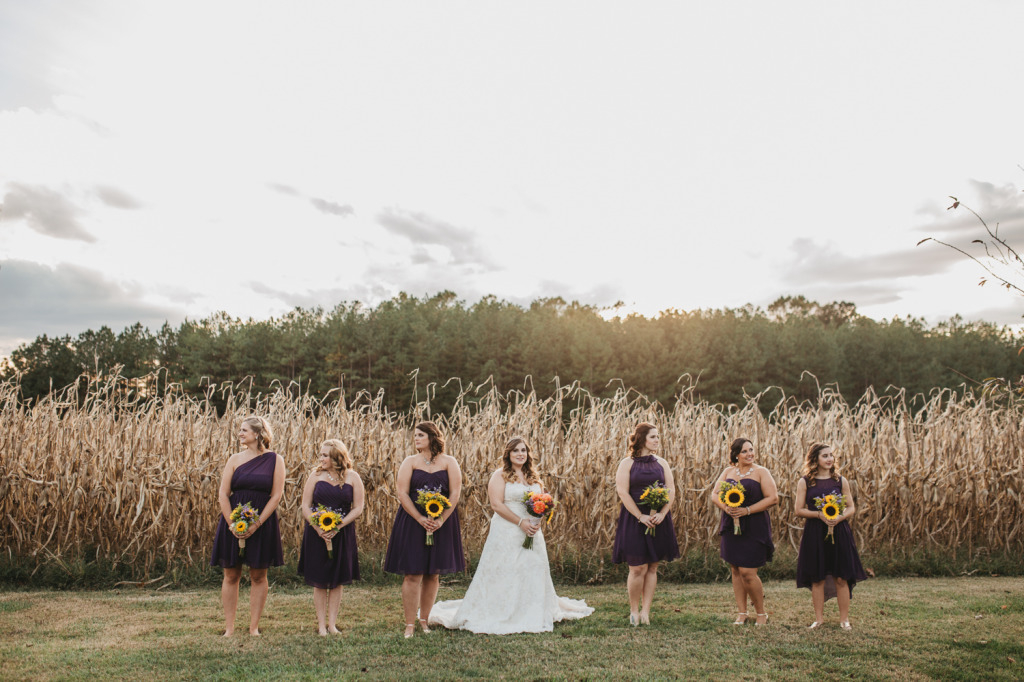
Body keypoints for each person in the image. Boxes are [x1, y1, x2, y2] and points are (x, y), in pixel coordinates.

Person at [429, 437, 593, 633]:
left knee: (531, 568)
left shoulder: (533, 477)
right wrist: (520, 522)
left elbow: (541, 502)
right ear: (508, 454)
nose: (520, 454)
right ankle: (502, 609)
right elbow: (496, 504)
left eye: (523, 450)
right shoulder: (500, 475)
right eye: (515, 451)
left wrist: (537, 521)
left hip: (531, 531)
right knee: (506, 568)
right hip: (507, 530)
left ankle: (531, 608)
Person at [383, 421, 466, 638]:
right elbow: (402, 493)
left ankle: (424, 620)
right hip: (412, 522)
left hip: (442, 523)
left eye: (420, 435)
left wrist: (440, 520)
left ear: (432, 437)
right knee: (413, 573)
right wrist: (420, 518)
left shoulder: (450, 462)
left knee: (433, 574)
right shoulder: (410, 462)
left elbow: (454, 494)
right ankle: (409, 623)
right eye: (415, 435)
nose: (416, 438)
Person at [209, 416, 285, 636]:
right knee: (231, 574)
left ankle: (253, 628)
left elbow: (276, 495)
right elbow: (223, 493)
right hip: (233, 519)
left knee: (258, 575)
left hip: (262, 522)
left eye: (244, 430)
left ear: (257, 433)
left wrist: (258, 523)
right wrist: (232, 523)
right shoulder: (234, 459)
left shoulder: (275, 459)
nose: (240, 434)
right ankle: (229, 628)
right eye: (240, 430)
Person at [612, 422, 680, 626]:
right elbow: (623, 492)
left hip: (658, 520)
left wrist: (662, 513)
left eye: (658, 436)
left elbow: (671, 490)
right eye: (653, 437)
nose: (657, 440)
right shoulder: (627, 463)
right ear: (641, 439)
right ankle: (633, 611)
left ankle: (646, 612)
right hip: (634, 520)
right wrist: (640, 517)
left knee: (652, 566)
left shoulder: (662, 463)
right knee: (637, 568)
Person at [795, 443, 868, 630]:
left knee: (841, 576)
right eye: (824, 456)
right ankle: (819, 619)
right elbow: (799, 510)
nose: (829, 459)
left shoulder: (840, 481)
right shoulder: (805, 482)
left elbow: (851, 507)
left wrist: (839, 518)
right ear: (815, 459)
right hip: (815, 533)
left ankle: (844, 620)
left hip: (839, 531)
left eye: (831, 456)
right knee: (817, 577)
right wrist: (819, 515)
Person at [298, 438, 364, 635]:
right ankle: (321, 625)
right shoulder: (316, 476)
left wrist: (338, 526)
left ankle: (332, 624)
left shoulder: (353, 477)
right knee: (319, 579)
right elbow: (305, 506)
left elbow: (358, 507)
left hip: (342, 533)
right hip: (317, 533)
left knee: (337, 579)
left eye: (325, 455)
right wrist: (318, 527)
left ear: (337, 457)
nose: (321, 458)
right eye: (321, 454)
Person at [713, 437, 778, 626]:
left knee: (748, 571)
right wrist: (726, 508)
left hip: (754, 525)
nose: (750, 454)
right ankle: (742, 612)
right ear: (736, 455)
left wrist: (747, 510)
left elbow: (772, 498)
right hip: (731, 524)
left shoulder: (761, 472)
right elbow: (714, 494)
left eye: (751, 450)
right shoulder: (728, 472)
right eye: (745, 451)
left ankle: (761, 614)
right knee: (735, 569)